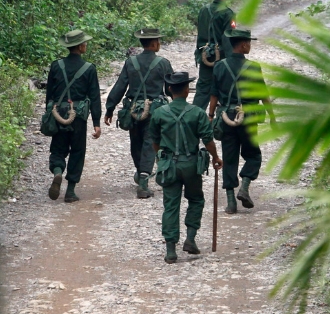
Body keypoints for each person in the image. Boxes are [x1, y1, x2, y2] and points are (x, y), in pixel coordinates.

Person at [147, 72, 223, 263]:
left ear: (170, 90)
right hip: (191, 164)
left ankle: (171, 250)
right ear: (188, 90)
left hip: (169, 165)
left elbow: (154, 141)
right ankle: (190, 239)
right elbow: (208, 140)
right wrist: (215, 157)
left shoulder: (159, 113)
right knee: (196, 199)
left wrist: (160, 157)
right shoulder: (197, 113)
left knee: (171, 205)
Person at [105, 28, 175, 199]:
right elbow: (170, 88)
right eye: (158, 40)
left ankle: (140, 172)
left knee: (135, 142)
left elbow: (120, 86)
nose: (159, 43)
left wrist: (110, 108)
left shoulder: (130, 62)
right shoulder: (163, 63)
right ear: (153, 43)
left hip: (133, 110)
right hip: (155, 111)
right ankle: (143, 181)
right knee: (150, 143)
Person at [209, 29, 274, 214]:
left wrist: (211, 115)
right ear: (244, 44)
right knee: (253, 155)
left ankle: (230, 203)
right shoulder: (253, 67)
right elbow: (264, 96)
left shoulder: (219, 66)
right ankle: (244, 188)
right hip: (248, 118)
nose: (250, 46)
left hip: (226, 118)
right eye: (249, 43)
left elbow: (214, 94)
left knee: (229, 158)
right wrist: (272, 117)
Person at [45, 30, 102, 203]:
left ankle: (57, 172)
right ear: (79, 46)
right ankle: (70, 191)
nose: (86, 45)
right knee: (77, 150)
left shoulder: (56, 66)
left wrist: (49, 114)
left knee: (58, 148)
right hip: (78, 116)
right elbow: (94, 97)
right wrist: (97, 123)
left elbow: (49, 95)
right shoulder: (89, 68)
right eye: (84, 42)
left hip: (58, 113)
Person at [192, 0, 237, 110]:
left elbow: (200, 33)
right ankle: (220, 122)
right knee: (225, 90)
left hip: (205, 56)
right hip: (222, 58)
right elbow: (228, 38)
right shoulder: (229, 14)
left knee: (202, 91)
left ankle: (193, 121)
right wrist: (232, 61)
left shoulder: (203, 10)